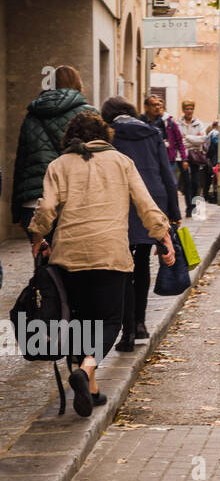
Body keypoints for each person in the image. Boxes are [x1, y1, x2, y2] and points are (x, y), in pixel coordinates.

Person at [28, 113, 175, 418]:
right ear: (105, 136)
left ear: (70, 137)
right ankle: (86, 370)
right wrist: (163, 236)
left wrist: (38, 236)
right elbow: (145, 204)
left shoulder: (59, 165)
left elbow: (46, 208)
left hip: (70, 256)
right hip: (110, 254)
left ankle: (91, 390)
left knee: (82, 324)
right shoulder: (121, 162)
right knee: (110, 322)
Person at [102, 97, 181, 352]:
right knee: (143, 262)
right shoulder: (152, 132)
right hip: (151, 200)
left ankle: (126, 332)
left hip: (122, 202)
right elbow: (167, 173)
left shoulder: (109, 135)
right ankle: (140, 324)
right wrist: (174, 212)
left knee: (124, 268)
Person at [11, 65, 95, 235]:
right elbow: (98, 160)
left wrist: (16, 210)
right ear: (78, 83)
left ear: (53, 84)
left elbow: (21, 163)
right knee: (74, 259)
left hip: (36, 202)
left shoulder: (32, 115)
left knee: (42, 256)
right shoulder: (89, 114)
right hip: (76, 200)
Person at [177, 100, 208, 216]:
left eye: (191, 109)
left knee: (195, 182)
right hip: (182, 155)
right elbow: (179, 142)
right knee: (186, 182)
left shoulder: (198, 123)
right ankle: (189, 208)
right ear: (183, 110)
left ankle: (194, 205)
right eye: (187, 109)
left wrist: (187, 138)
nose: (189, 111)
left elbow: (203, 139)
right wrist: (194, 139)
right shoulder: (178, 123)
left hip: (195, 155)